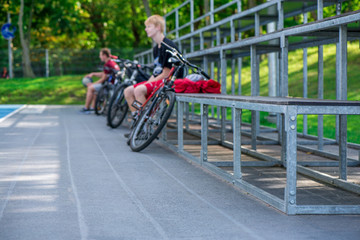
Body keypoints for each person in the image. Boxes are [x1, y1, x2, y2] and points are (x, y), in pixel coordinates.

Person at [124, 15, 180, 135]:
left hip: (170, 81)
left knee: (139, 90)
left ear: (158, 27)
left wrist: (147, 85)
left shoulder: (168, 45)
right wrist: (148, 82)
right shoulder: (156, 49)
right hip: (160, 79)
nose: (146, 29)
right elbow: (156, 72)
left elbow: (166, 74)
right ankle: (138, 122)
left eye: (149, 26)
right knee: (128, 91)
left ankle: (143, 129)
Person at [80, 48, 120, 113]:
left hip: (110, 86)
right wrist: (93, 74)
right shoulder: (112, 63)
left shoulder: (108, 64)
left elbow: (103, 78)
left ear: (104, 55)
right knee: (95, 91)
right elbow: (104, 74)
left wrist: (93, 84)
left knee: (90, 88)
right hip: (114, 85)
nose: (99, 57)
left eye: (100, 55)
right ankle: (93, 108)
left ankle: (86, 108)